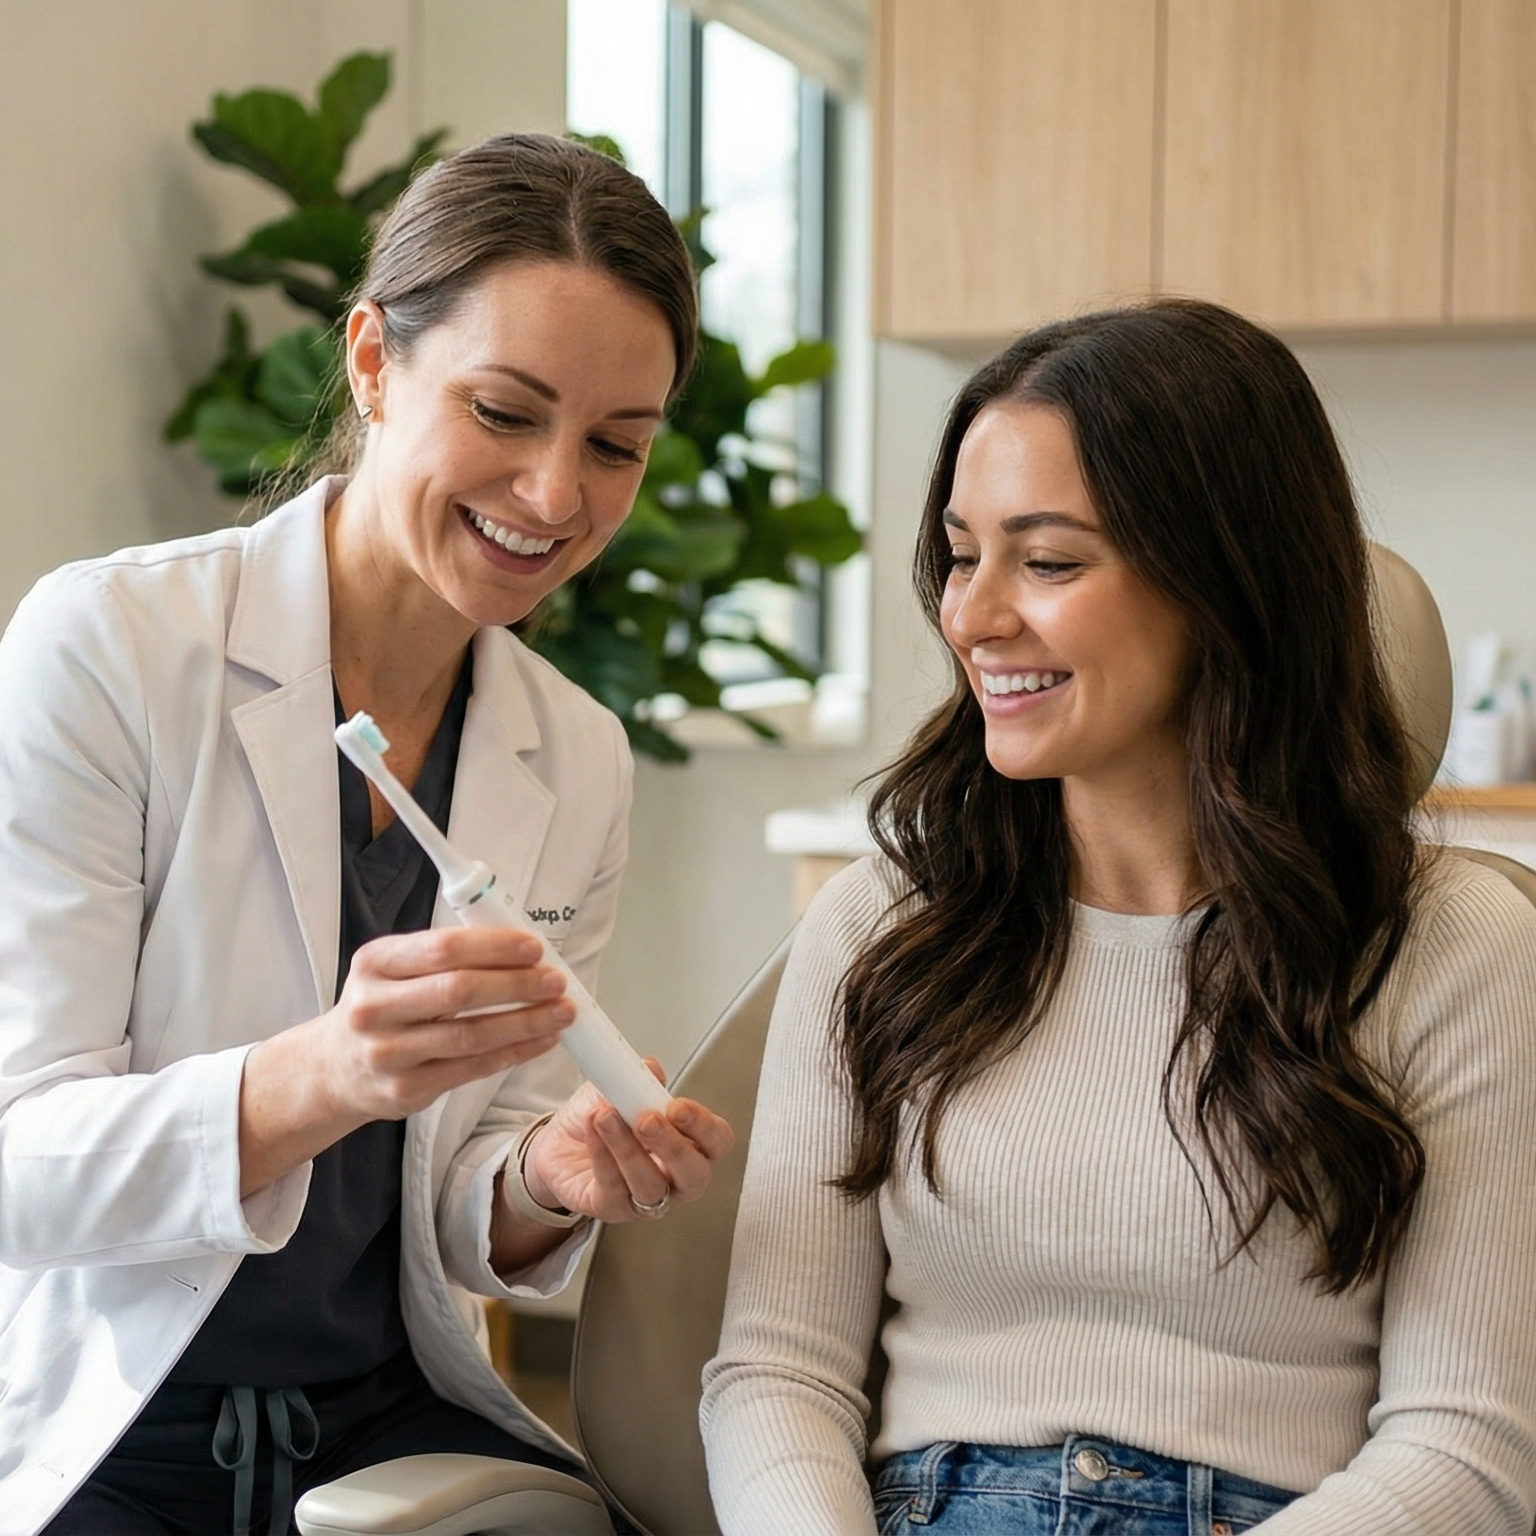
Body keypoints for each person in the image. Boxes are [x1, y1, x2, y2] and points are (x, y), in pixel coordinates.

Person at [700, 299, 1536, 1535]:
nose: (973, 617)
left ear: (1227, 586)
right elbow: (778, 1373)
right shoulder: (882, 922)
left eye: (1047, 562)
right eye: (962, 555)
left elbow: (1466, 1452)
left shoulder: (1456, 944)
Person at [0, 132, 733, 1536]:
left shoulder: (575, 753)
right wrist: (322, 1075)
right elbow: (16, 1166)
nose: (555, 496)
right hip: (108, 1435)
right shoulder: (112, 649)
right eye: (504, 412)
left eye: (615, 446)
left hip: (379, 1432)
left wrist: (545, 1178)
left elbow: (456, 1194)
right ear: (373, 362)